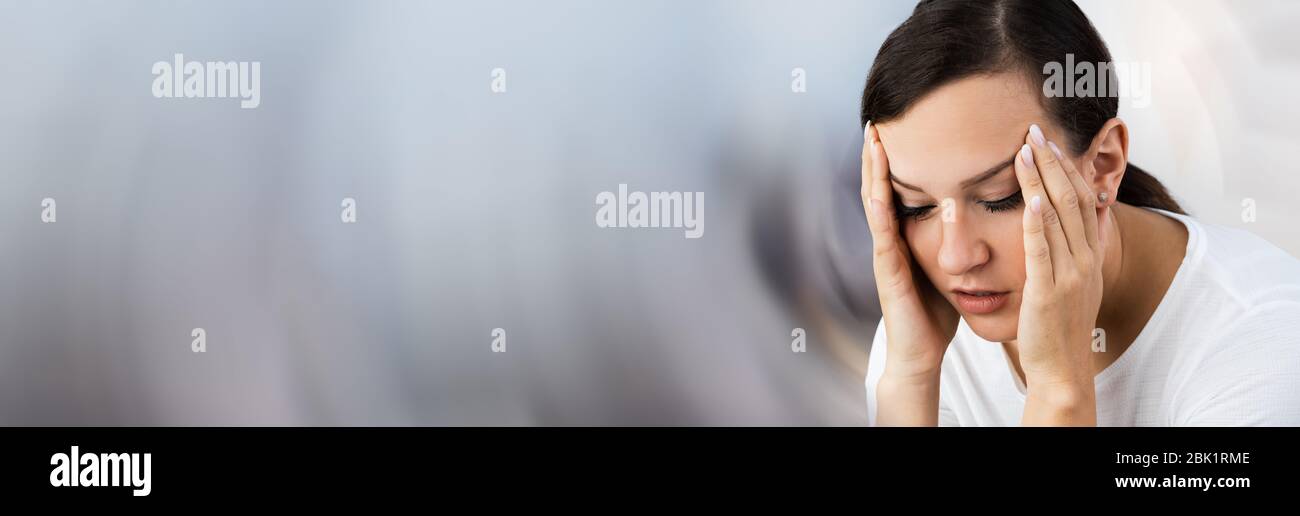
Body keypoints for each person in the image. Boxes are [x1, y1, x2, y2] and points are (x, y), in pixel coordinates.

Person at [861, 0, 1300, 426]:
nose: (955, 258)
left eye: (1000, 197)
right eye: (915, 206)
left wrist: (1059, 389)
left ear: (1104, 166)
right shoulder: (923, 336)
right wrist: (912, 375)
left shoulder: (1261, 340)